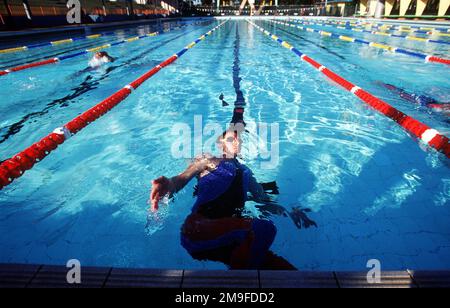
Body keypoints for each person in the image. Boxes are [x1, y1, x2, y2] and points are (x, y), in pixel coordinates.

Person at [150, 122, 305, 270]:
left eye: (239, 139)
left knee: (284, 270)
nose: (237, 141)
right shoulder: (208, 160)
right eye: (231, 138)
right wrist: (169, 185)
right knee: (264, 229)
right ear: (220, 144)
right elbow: (182, 178)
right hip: (199, 229)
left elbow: (264, 200)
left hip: (230, 237)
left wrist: (290, 212)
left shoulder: (246, 173)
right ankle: (237, 284)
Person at [380, 82, 449, 114]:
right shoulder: (441, 108)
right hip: (423, 102)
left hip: (429, 102)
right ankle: (382, 84)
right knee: (400, 93)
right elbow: (431, 106)